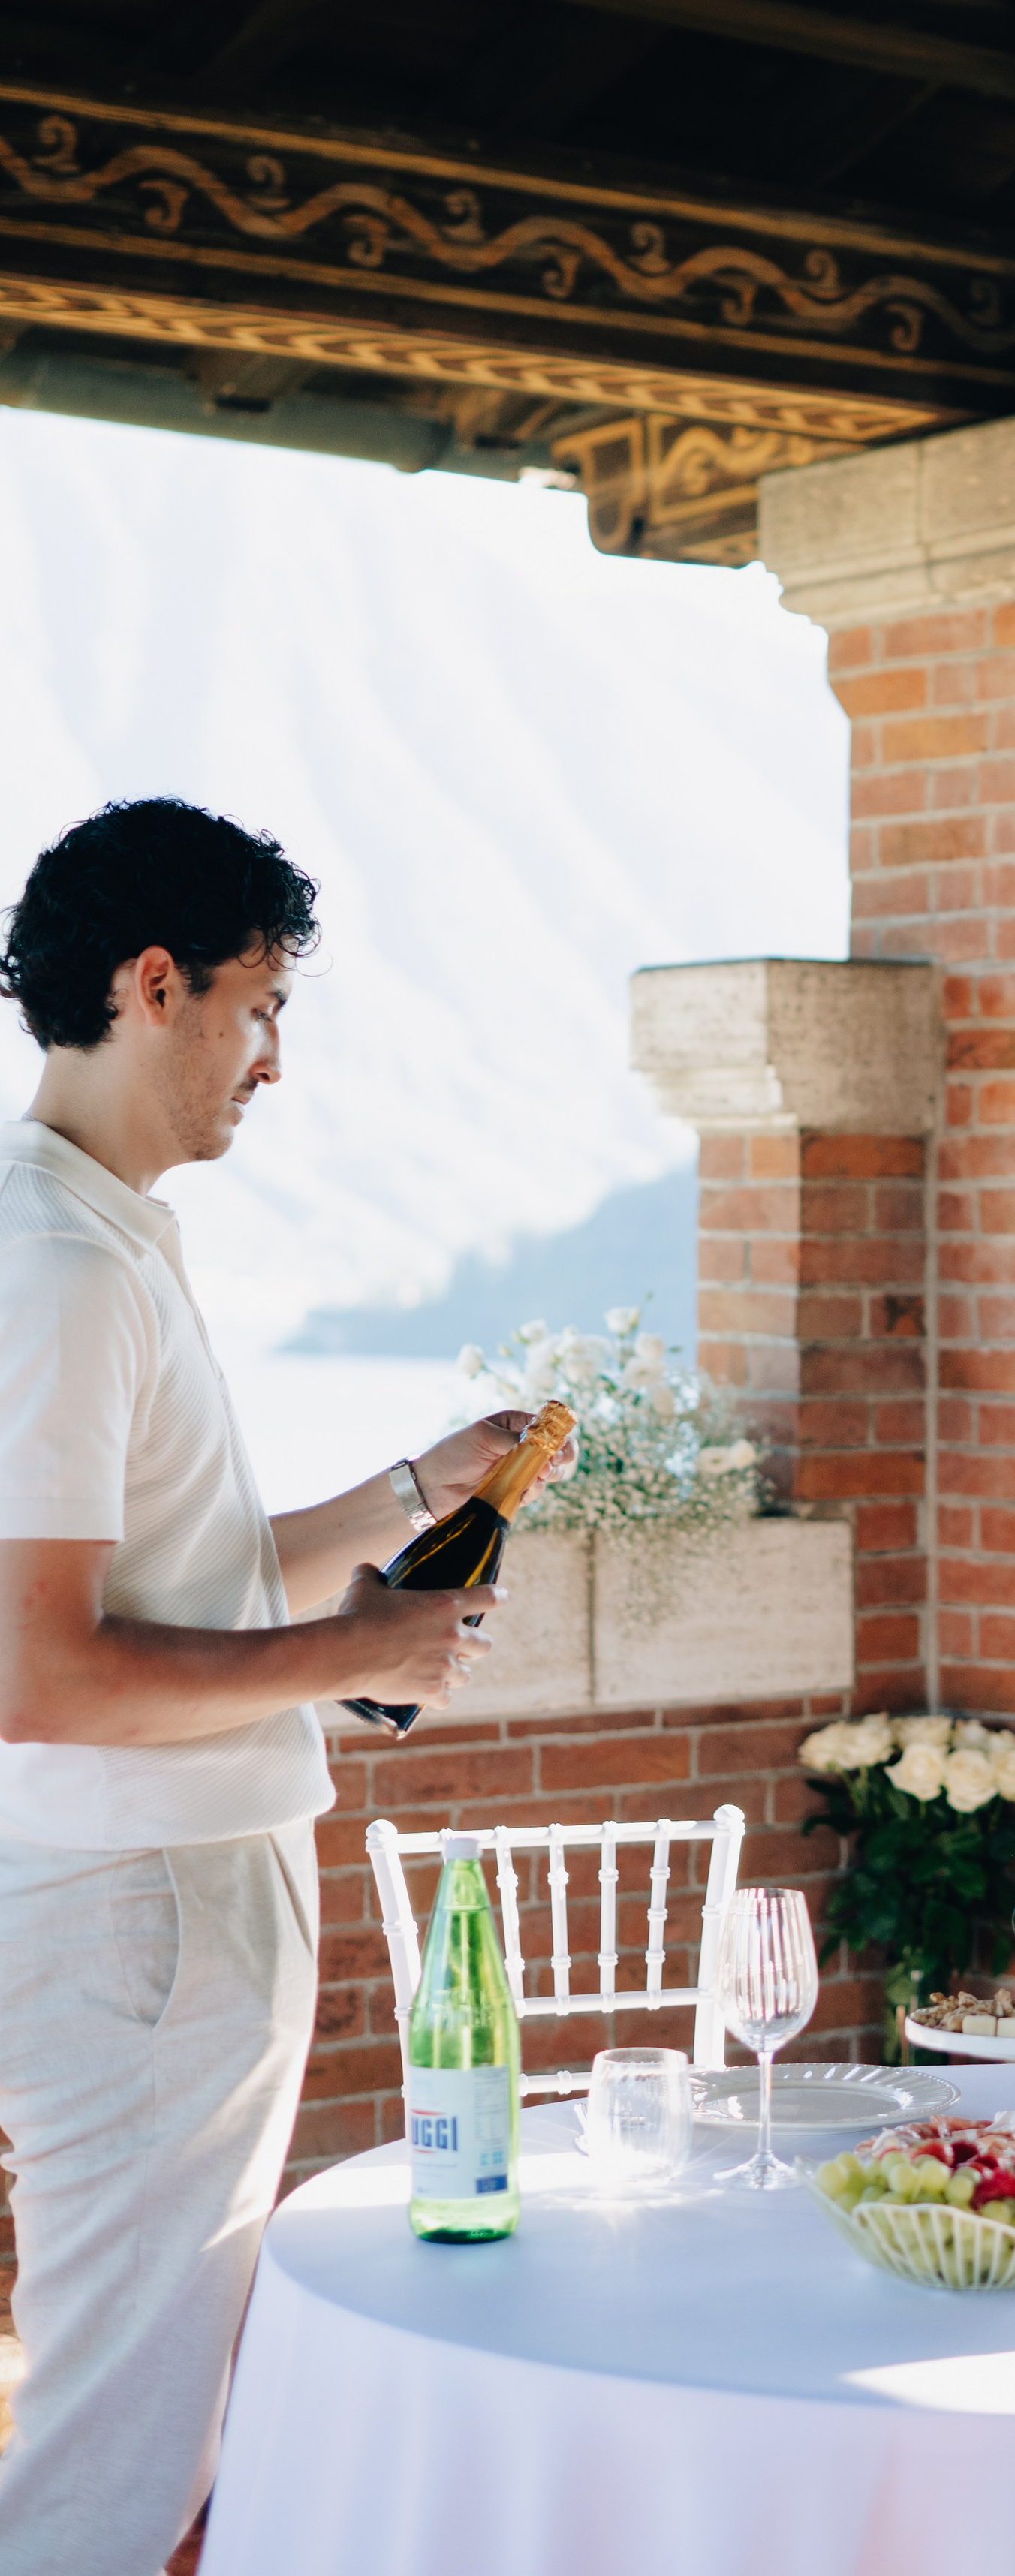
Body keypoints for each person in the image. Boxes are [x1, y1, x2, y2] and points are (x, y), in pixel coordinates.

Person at [0, 799, 558, 2576]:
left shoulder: (89, 1236)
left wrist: (414, 1496)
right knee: (126, 2431)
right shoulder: (63, 1269)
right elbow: (40, 1668)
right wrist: (364, 1653)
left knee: (149, 2405)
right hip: (141, 1909)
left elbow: (186, 1570)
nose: (273, 1060)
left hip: (152, 1897)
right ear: (153, 984)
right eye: (261, 1007)